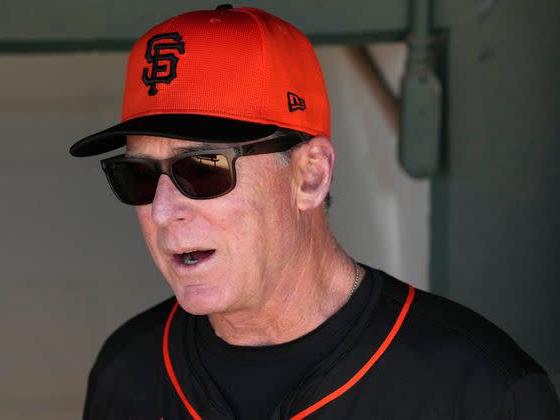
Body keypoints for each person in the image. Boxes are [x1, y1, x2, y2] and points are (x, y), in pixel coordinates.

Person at [70, 5, 560, 419]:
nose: (161, 210)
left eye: (202, 169)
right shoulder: (127, 372)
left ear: (310, 175)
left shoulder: (481, 390)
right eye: (138, 175)